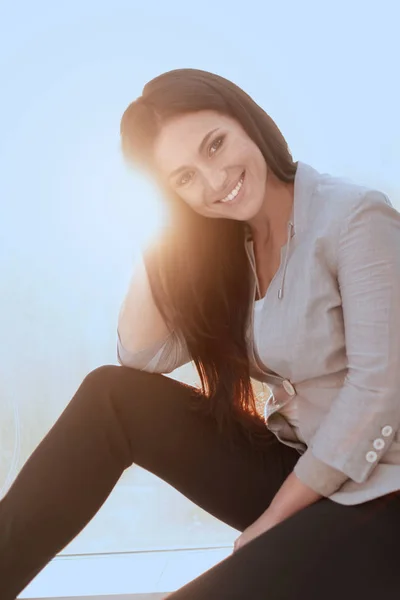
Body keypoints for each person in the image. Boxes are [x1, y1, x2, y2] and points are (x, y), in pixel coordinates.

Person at [1, 68, 400, 600]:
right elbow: (140, 358)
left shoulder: (353, 217)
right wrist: (158, 223)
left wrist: (271, 523)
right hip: (302, 465)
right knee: (110, 397)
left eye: (215, 146)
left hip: (380, 489)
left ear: (246, 119)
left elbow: (379, 394)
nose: (214, 182)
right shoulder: (230, 246)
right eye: (183, 178)